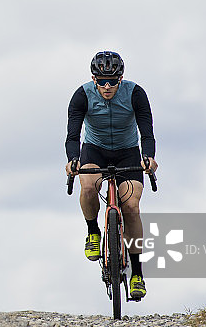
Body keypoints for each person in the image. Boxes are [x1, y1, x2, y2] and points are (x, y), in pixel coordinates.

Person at [64, 50, 157, 300]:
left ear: (121, 78)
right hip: (94, 150)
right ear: (94, 79)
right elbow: (73, 136)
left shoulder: (135, 93)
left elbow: (147, 132)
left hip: (128, 152)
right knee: (88, 186)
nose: (107, 86)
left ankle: (137, 274)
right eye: (102, 81)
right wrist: (72, 160)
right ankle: (93, 231)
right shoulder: (82, 95)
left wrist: (148, 157)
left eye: (113, 81)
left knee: (131, 207)